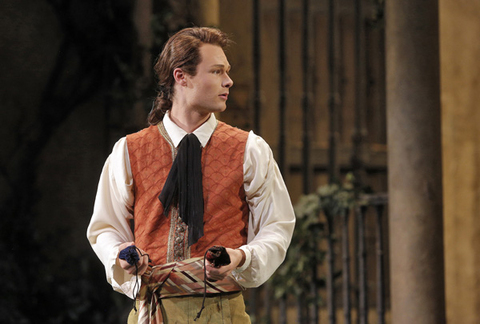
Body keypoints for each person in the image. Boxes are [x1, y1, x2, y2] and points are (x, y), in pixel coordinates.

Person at [87, 26, 295, 323]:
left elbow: (277, 226)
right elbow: (105, 227)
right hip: (153, 311)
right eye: (216, 72)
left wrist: (240, 257)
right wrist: (121, 253)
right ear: (181, 77)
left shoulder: (249, 149)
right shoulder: (130, 150)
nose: (228, 81)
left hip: (221, 312)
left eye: (227, 71)